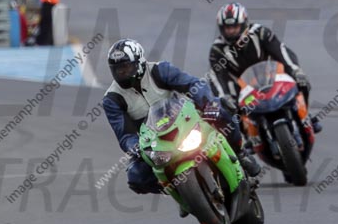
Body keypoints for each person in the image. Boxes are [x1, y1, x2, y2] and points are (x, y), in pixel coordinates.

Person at [103, 39, 261, 198]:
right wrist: (134, 147)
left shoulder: (159, 70)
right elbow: (124, 135)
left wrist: (207, 104)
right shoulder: (112, 99)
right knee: (136, 177)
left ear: (139, 62)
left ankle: (240, 153)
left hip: (185, 119)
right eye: (116, 69)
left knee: (222, 108)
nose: (121, 73)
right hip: (154, 142)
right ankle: (180, 192)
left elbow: (194, 84)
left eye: (125, 67)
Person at [208, 3, 321, 134]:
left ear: (244, 23)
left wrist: (295, 70)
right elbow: (217, 77)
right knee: (228, 110)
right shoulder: (217, 50)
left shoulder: (260, 32)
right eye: (227, 28)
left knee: (302, 82)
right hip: (243, 88)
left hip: (273, 76)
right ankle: (245, 140)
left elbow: (281, 52)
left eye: (235, 26)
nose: (231, 31)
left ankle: (306, 117)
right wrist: (225, 97)